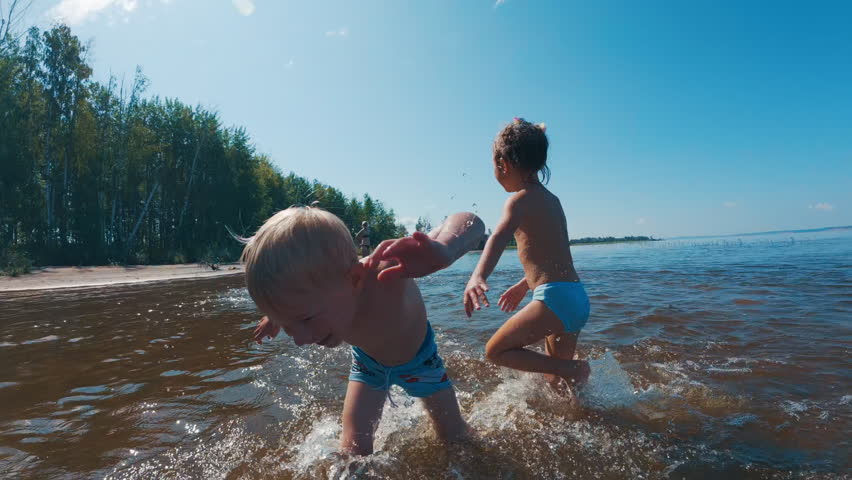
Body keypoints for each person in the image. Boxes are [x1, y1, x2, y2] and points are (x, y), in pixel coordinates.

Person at [243, 206, 484, 455]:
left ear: (355, 279)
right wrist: (277, 317)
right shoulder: (308, 301)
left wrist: (445, 248)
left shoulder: (386, 271)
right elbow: (295, 307)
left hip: (422, 362)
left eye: (305, 319)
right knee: (353, 451)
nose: (300, 340)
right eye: (287, 324)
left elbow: (473, 222)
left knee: (456, 438)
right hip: (368, 366)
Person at [463, 117, 591, 390]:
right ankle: (583, 406)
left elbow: (498, 237)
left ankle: (574, 368)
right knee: (556, 381)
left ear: (503, 164)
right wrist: (525, 285)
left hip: (555, 299)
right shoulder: (552, 200)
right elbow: (554, 253)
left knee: (496, 351)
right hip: (575, 297)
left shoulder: (518, 201)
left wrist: (478, 275)